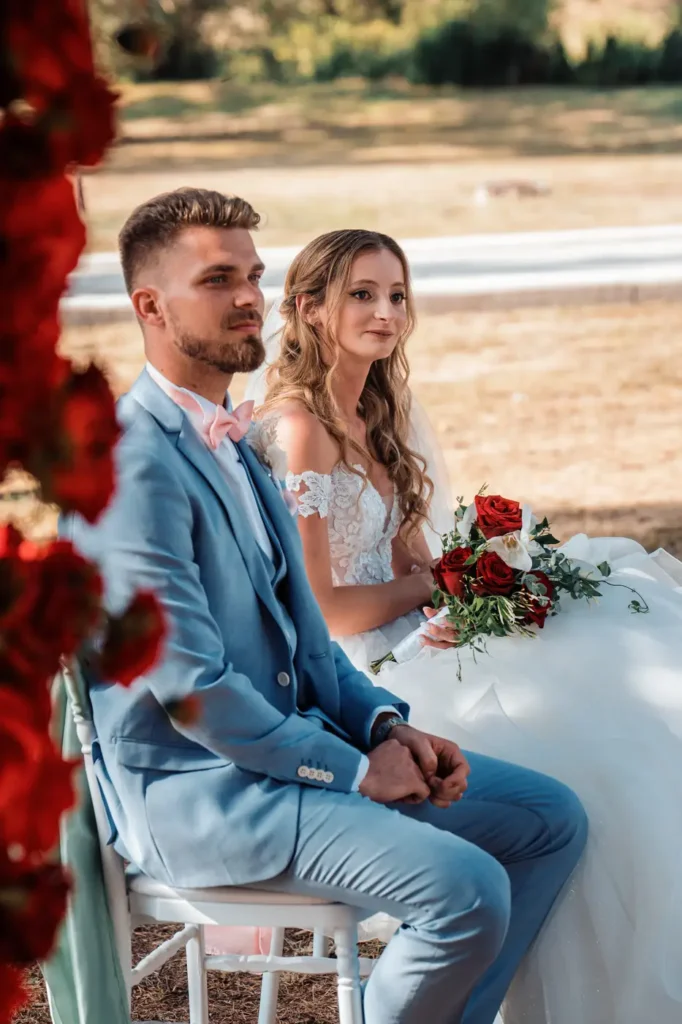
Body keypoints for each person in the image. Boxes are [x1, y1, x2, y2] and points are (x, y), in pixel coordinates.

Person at [62, 189, 587, 1024]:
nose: (247, 298)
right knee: (466, 887)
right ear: (150, 307)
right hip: (203, 795)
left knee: (548, 818)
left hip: (288, 762)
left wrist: (386, 726)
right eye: (218, 279)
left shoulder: (236, 439)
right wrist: (352, 768)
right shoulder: (130, 465)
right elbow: (192, 687)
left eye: (254, 276)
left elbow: (308, 644)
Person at [255, 227, 682, 1024]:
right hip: (353, 675)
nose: (385, 313)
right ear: (310, 310)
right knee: (585, 742)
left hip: (409, 633)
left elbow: (412, 558)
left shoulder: (379, 413)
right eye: (361, 294)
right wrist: (430, 588)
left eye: (396, 295)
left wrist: (476, 587)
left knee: (612, 652)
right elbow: (322, 609)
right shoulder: (299, 428)